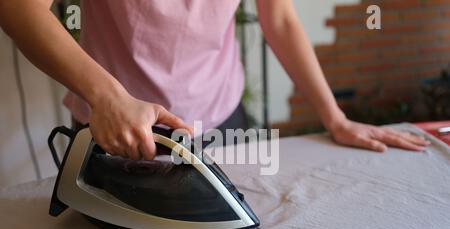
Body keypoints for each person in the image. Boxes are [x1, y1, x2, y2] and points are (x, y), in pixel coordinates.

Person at [0, 0, 429, 160]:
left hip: (224, 120)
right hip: (113, 125)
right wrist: (107, 96)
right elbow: (20, 9)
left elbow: (277, 17)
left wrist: (334, 118)